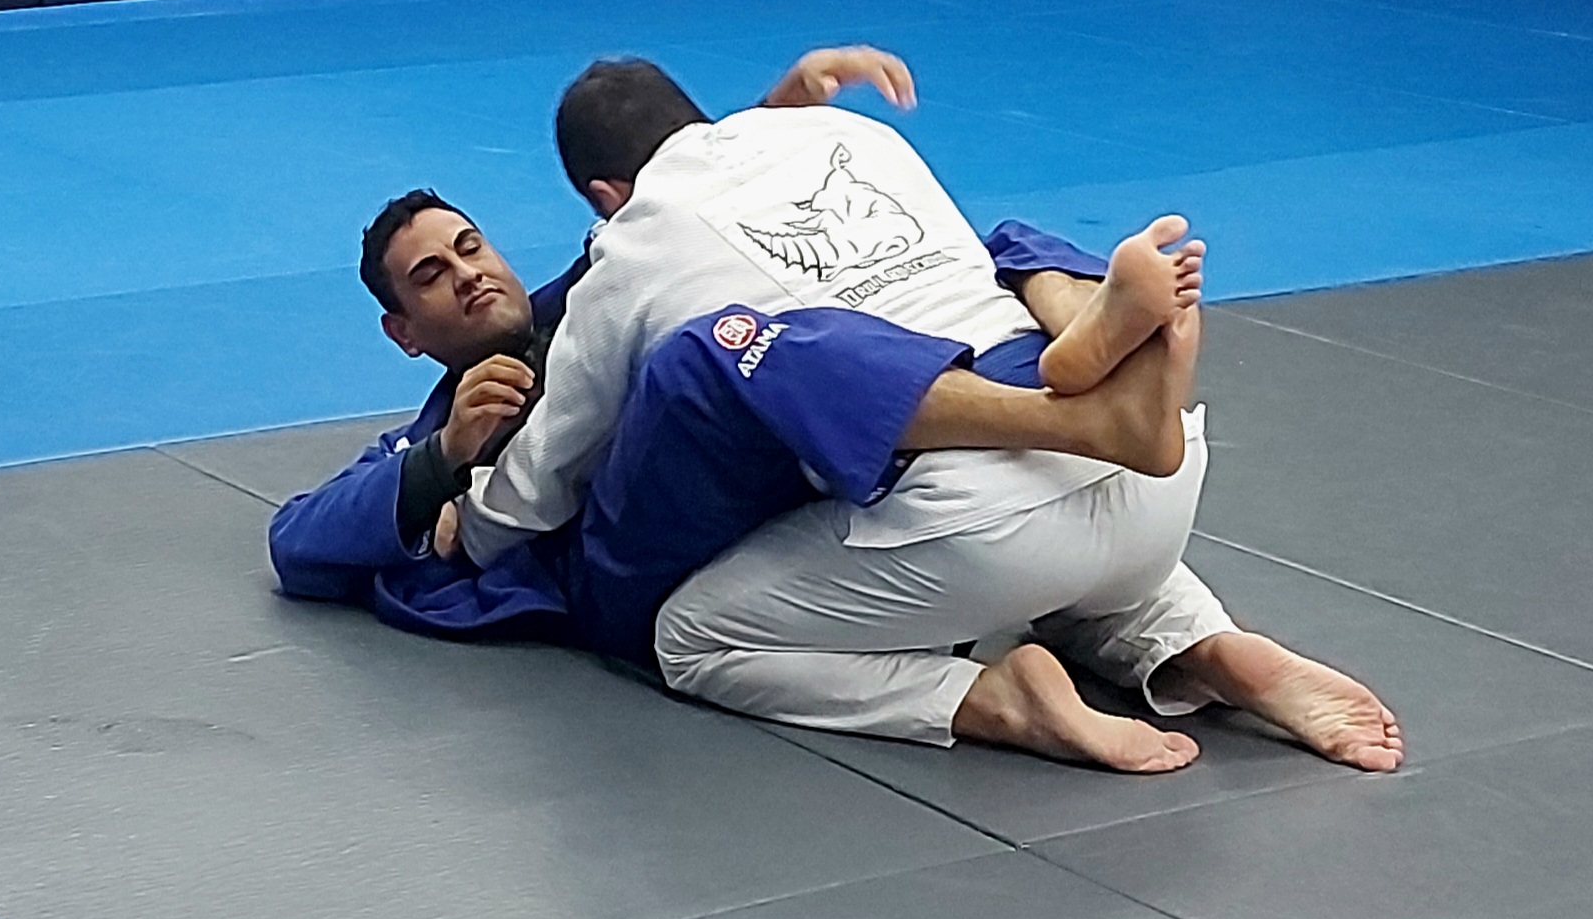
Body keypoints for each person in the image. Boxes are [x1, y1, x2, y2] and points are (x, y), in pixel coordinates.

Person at [454, 57, 1402, 775]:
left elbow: (548, 475)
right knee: (1010, 389)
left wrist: (474, 522)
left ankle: (990, 699)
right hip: (1155, 489)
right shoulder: (850, 136)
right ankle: (1209, 646)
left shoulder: (630, 248)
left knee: (694, 636)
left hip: (971, 532)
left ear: (603, 196)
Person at [271, 47, 1200, 657]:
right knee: (725, 347)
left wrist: (778, 123)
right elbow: (297, 539)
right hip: (639, 543)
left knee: (995, 248)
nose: (468, 274)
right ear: (405, 333)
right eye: (432, 277)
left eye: (471, 246)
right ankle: (1072, 413)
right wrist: (444, 463)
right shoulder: (445, 424)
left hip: (786, 467)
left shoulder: (603, 276)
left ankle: (1195, 628)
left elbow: (711, 215)